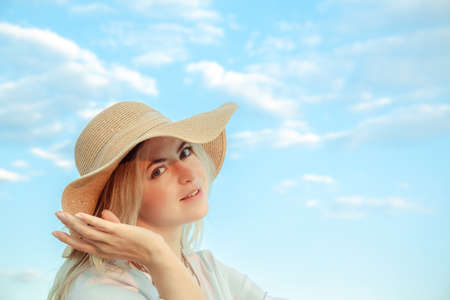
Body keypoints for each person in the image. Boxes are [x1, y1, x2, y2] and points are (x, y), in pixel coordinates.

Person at [48, 101, 289, 300]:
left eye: (185, 152)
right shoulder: (97, 287)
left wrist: (159, 256)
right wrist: (156, 255)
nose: (189, 174)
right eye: (158, 170)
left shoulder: (205, 267)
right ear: (122, 197)